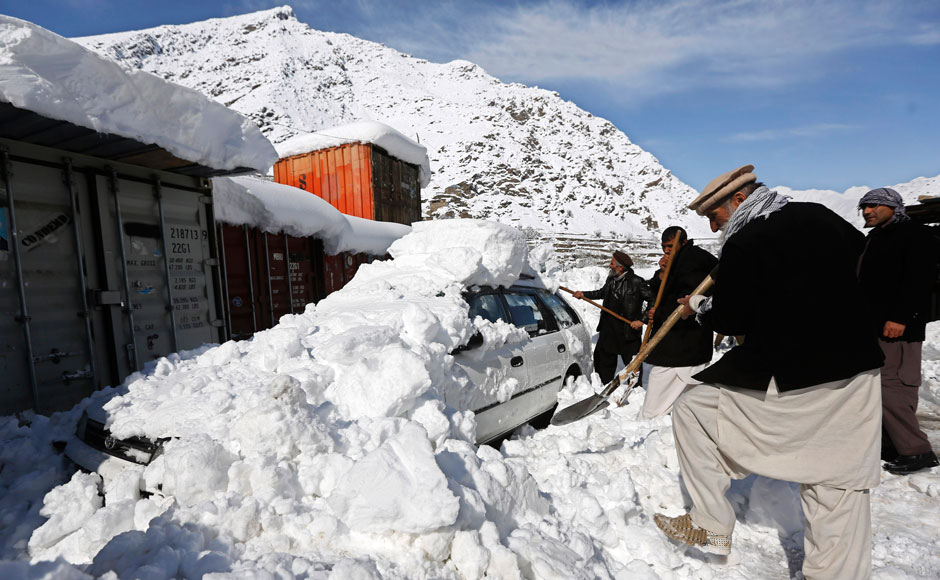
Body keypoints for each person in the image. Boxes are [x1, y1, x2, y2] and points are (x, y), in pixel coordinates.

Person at [653, 165, 884, 580]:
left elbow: (733, 317)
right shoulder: (820, 215)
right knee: (837, 485)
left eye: (715, 217)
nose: (713, 226)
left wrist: (698, 307)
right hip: (855, 368)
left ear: (739, 201)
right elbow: (864, 269)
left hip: (793, 375)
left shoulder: (746, 241)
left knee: (694, 408)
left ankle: (710, 522)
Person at [856, 187, 940, 475]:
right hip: (877, 326)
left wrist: (901, 317)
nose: (868, 211)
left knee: (895, 388)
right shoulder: (878, 236)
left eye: (875, 205)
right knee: (880, 387)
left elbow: (919, 280)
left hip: (899, 328)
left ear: (894, 206)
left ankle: (918, 451)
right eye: (864, 207)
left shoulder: (914, 235)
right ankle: (893, 445)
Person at [640, 226, 717, 418]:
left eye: (669, 246)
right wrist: (661, 274)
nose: (665, 251)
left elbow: (685, 300)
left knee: (662, 392)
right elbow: (660, 291)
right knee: (682, 400)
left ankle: (650, 421)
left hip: (684, 342)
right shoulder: (677, 260)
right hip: (677, 343)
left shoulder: (695, 261)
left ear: (683, 243)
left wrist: (659, 314)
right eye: (663, 246)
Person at [573, 251, 652, 384]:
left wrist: (642, 320)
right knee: (603, 359)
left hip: (628, 330)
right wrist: (584, 294)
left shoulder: (637, 282)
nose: (609, 266)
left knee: (632, 363)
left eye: (612, 263)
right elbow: (602, 293)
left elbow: (653, 300)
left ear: (620, 267)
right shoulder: (611, 280)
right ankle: (605, 386)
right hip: (609, 328)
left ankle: (633, 390)